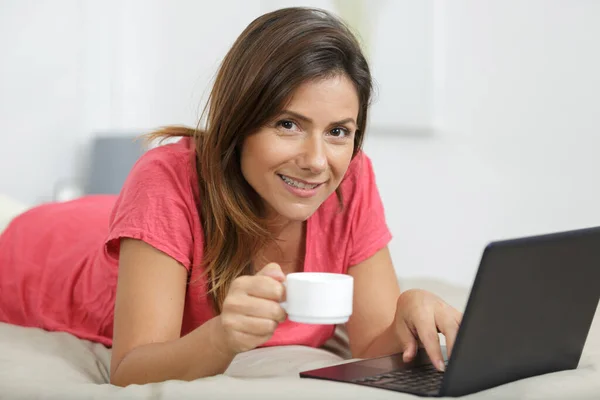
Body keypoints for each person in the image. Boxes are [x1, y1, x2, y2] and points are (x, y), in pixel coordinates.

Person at [0, 7, 462, 387]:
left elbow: (372, 351)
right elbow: (129, 371)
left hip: (115, 217)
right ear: (239, 122)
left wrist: (409, 312)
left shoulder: (352, 180)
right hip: (43, 249)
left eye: (338, 131)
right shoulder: (165, 181)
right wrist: (221, 338)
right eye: (289, 124)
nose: (317, 161)